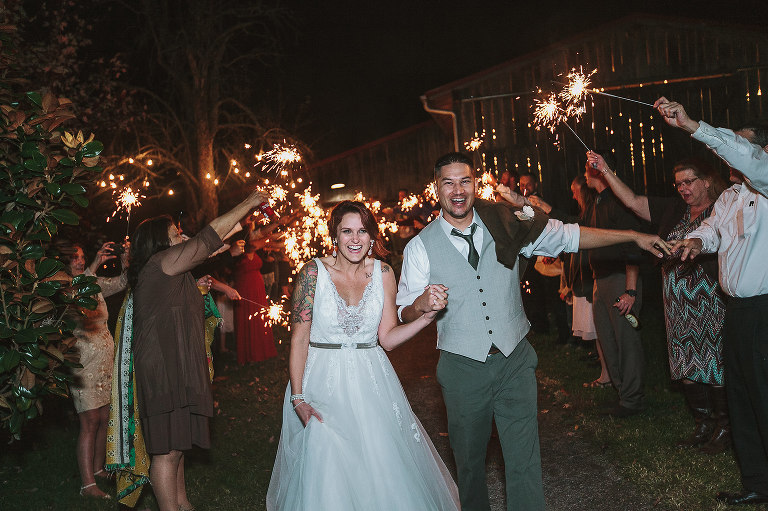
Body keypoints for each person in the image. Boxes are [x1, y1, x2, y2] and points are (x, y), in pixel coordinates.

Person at [397, 152, 670, 511]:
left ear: (476, 184)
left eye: (464, 181)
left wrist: (632, 236)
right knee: (470, 466)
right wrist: (421, 304)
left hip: (514, 362)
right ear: (437, 188)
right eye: (448, 183)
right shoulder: (420, 246)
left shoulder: (506, 225)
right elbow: (403, 310)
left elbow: (570, 236)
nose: (458, 190)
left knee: (524, 461)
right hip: (462, 368)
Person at [267, 201, 460, 511]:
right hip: (321, 382)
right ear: (334, 236)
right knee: (325, 462)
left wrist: (425, 319)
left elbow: (388, 339)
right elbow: (299, 339)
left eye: (362, 231)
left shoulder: (384, 273)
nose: (355, 239)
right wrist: (298, 398)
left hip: (372, 383)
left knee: (379, 464)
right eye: (347, 231)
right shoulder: (312, 273)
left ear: (372, 236)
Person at [656, 96, 768, 506]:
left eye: (740, 144)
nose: (730, 151)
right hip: (735, 312)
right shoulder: (730, 196)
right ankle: (757, 482)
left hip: (764, 310)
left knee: (765, 396)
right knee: (741, 399)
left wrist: (692, 126)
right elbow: (713, 231)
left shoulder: (766, 184)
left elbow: (748, 157)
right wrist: (694, 241)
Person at [129, 190, 268, 511]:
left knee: (177, 446)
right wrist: (248, 202)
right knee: (166, 451)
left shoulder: (173, 269)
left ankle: (182, 504)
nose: (182, 234)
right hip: (163, 369)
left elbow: (215, 245)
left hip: (179, 365)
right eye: (174, 233)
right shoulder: (160, 262)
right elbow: (209, 237)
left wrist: (245, 227)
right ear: (159, 243)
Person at [588, 150, 729, 450]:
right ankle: (703, 424)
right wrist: (606, 170)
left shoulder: (723, 208)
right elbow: (633, 201)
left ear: (706, 181)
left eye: (689, 182)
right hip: (676, 305)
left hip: (710, 301)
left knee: (714, 362)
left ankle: (724, 427)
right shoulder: (674, 209)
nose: (683, 189)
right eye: (678, 184)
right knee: (685, 362)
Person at [582, 152, 647, 418]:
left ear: (598, 171)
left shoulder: (618, 202)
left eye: (587, 169)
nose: (584, 173)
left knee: (626, 342)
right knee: (608, 342)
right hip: (600, 281)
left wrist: (630, 291)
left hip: (620, 280)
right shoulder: (595, 203)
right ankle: (622, 394)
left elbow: (633, 246)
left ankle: (632, 400)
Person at [66, 241, 128, 499]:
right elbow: (80, 294)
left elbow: (122, 283)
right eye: (74, 258)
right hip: (83, 363)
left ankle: (99, 468)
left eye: (82, 256)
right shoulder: (63, 288)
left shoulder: (94, 283)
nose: (80, 261)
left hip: (104, 359)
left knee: (103, 417)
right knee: (89, 421)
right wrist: (93, 266)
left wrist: (125, 261)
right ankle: (87, 485)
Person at [233, 218, 279, 364]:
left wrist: (281, 228)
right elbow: (262, 241)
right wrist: (277, 228)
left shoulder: (254, 245)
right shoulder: (242, 247)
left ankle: (262, 350)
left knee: (260, 317)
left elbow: (269, 241)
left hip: (257, 287)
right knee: (247, 317)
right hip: (245, 287)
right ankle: (249, 353)